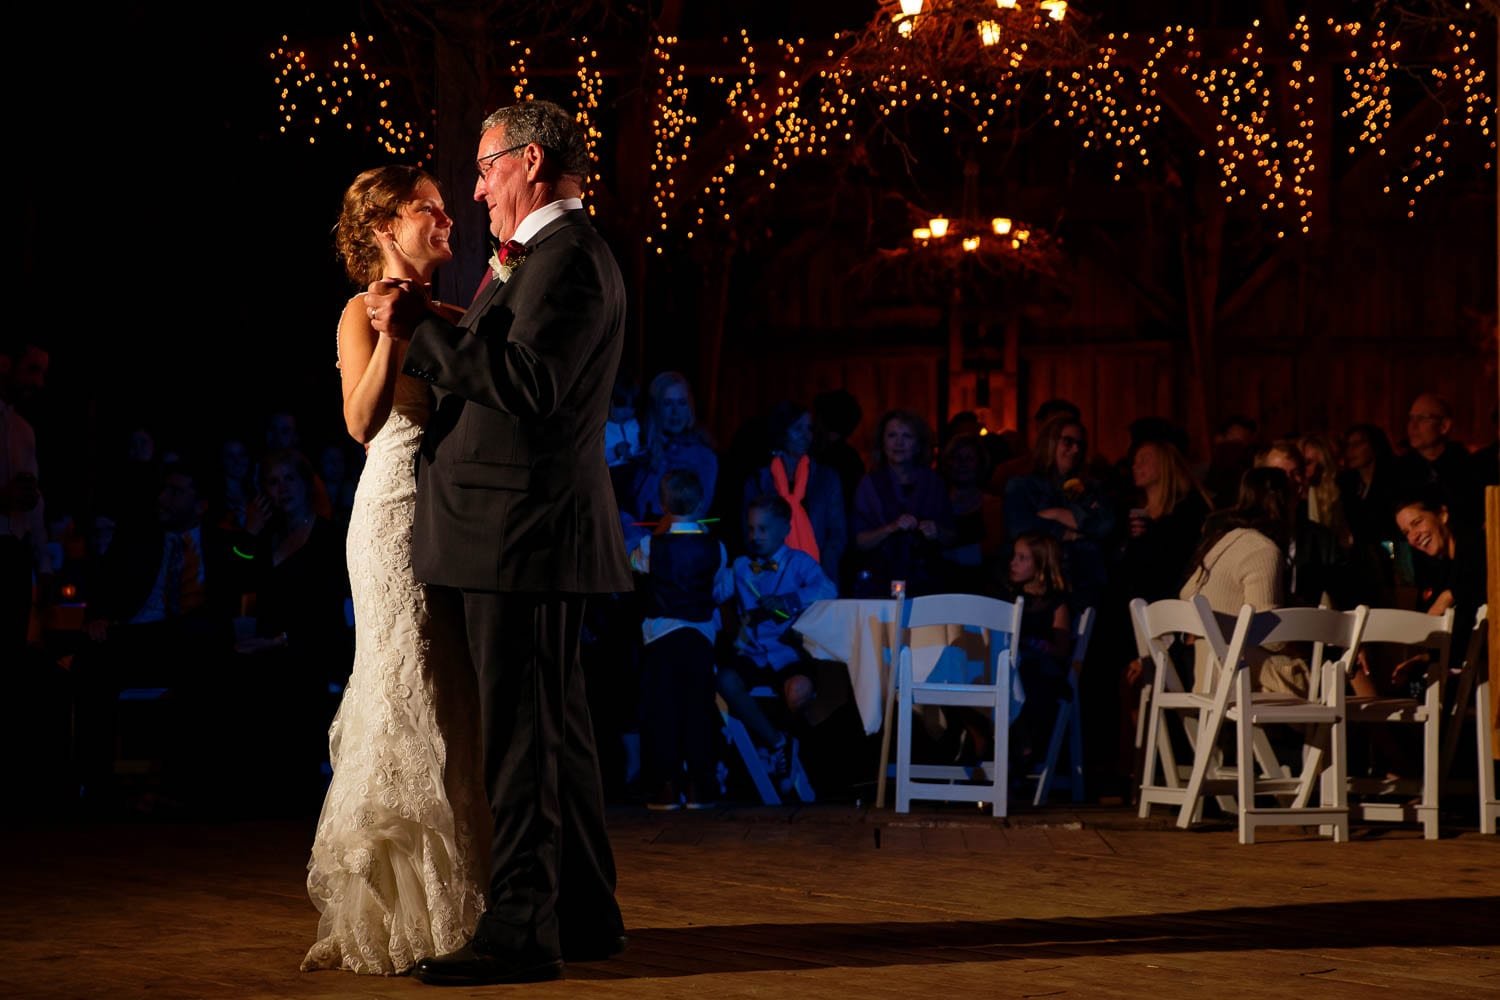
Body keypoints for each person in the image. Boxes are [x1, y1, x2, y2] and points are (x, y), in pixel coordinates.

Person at [368, 99, 632, 986]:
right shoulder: (540, 260)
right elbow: (514, 356)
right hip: (514, 532)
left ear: (531, 161)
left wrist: (422, 332)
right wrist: (456, 321)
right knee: (556, 735)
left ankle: (522, 929)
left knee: (522, 744)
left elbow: (530, 383)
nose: (476, 188)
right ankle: (587, 911)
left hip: (521, 535)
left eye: (485, 168)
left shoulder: (569, 259)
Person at [301, 165, 488, 976]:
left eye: (448, 209)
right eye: (430, 210)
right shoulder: (361, 310)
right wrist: (397, 333)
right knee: (401, 684)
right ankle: (398, 912)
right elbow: (360, 420)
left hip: (454, 514)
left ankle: (467, 900)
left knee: (451, 695)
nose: (446, 220)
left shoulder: (460, 310)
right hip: (391, 510)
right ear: (385, 225)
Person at [718, 494, 839, 792]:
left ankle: (794, 748)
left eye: (763, 529)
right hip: (753, 654)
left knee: (799, 691)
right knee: (725, 680)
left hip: (789, 653)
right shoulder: (742, 566)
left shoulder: (798, 562)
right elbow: (716, 593)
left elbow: (828, 589)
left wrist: (789, 600)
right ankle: (775, 741)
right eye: (751, 529)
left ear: (785, 529)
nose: (755, 536)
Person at [628, 469, 733, 811]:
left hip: (661, 636)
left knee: (662, 712)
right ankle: (700, 786)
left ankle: (665, 787)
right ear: (701, 502)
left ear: (663, 503)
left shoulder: (649, 545)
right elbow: (722, 590)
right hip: (699, 635)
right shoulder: (715, 547)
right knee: (699, 709)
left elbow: (634, 570)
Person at [1179, 467, 1305, 696]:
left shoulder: (1221, 541)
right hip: (1234, 681)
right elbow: (1269, 636)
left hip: (1205, 678)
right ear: (1282, 502)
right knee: (1319, 677)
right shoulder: (1261, 550)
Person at [851, 409, 956, 597]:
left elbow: (951, 536)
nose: (898, 443)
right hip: (879, 583)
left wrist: (936, 531)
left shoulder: (934, 483)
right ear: (883, 442)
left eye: (907, 436)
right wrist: (890, 528)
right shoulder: (869, 484)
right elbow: (859, 542)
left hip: (927, 583)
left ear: (918, 444)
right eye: (892, 435)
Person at [743, 399, 847, 586]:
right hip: (771, 578)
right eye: (798, 428)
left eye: (809, 429)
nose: (806, 435)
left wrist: (819, 571)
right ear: (782, 431)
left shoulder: (826, 478)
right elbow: (749, 529)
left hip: (817, 575)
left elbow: (837, 533)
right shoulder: (760, 479)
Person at [1004, 532, 1073, 778]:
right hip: (1011, 667)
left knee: (1029, 678)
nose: (1014, 562)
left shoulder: (1055, 602)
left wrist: (1034, 643)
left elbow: (1061, 650)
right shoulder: (1010, 597)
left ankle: (1023, 748)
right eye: (1015, 556)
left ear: (1040, 564)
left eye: (1022, 558)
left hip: (1040, 670)